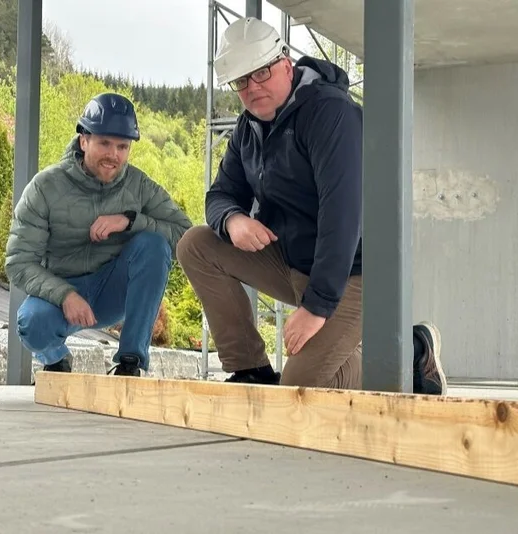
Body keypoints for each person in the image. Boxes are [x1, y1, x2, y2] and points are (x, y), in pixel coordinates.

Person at [175, 17, 447, 394]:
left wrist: (316, 309)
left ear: (286, 64)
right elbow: (219, 194)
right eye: (241, 81)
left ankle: (411, 355)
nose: (253, 88)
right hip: (292, 261)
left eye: (262, 73)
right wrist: (233, 219)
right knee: (197, 244)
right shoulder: (248, 128)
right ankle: (250, 368)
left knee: (300, 387)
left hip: (356, 272)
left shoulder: (330, 114)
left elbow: (343, 217)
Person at [6, 93, 191, 377]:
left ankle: (130, 363)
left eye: (122, 146)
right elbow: (19, 263)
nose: (113, 155)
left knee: (154, 245)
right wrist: (65, 294)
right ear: (84, 141)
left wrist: (130, 221)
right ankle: (56, 361)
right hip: (61, 295)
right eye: (105, 143)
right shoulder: (44, 187)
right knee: (30, 321)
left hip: (112, 292)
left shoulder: (140, 186)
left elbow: (185, 236)